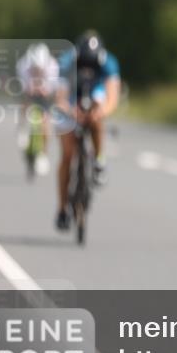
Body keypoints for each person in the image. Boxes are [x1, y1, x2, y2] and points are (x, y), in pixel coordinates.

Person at [54, 31, 121, 230]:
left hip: (95, 94)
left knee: (98, 118)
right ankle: (62, 208)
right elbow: (60, 97)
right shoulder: (67, 62)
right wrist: (70, 111)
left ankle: (99, 161)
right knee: (67, 155)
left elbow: (112, 97)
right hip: (71, 98)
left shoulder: (109, 63)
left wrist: (100, 113)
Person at [15, 42, 59, 176]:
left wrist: (45, 90)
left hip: (45, 94)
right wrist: (31, 88)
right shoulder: (23, 65)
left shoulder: (52, 66)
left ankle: (43, 154)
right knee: (25, 102)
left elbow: (52, 90)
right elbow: (25, 89)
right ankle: (21, 127)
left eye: (39, 69)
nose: (37, 71)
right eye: (34, 68)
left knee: (46, 122)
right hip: (30, 91)